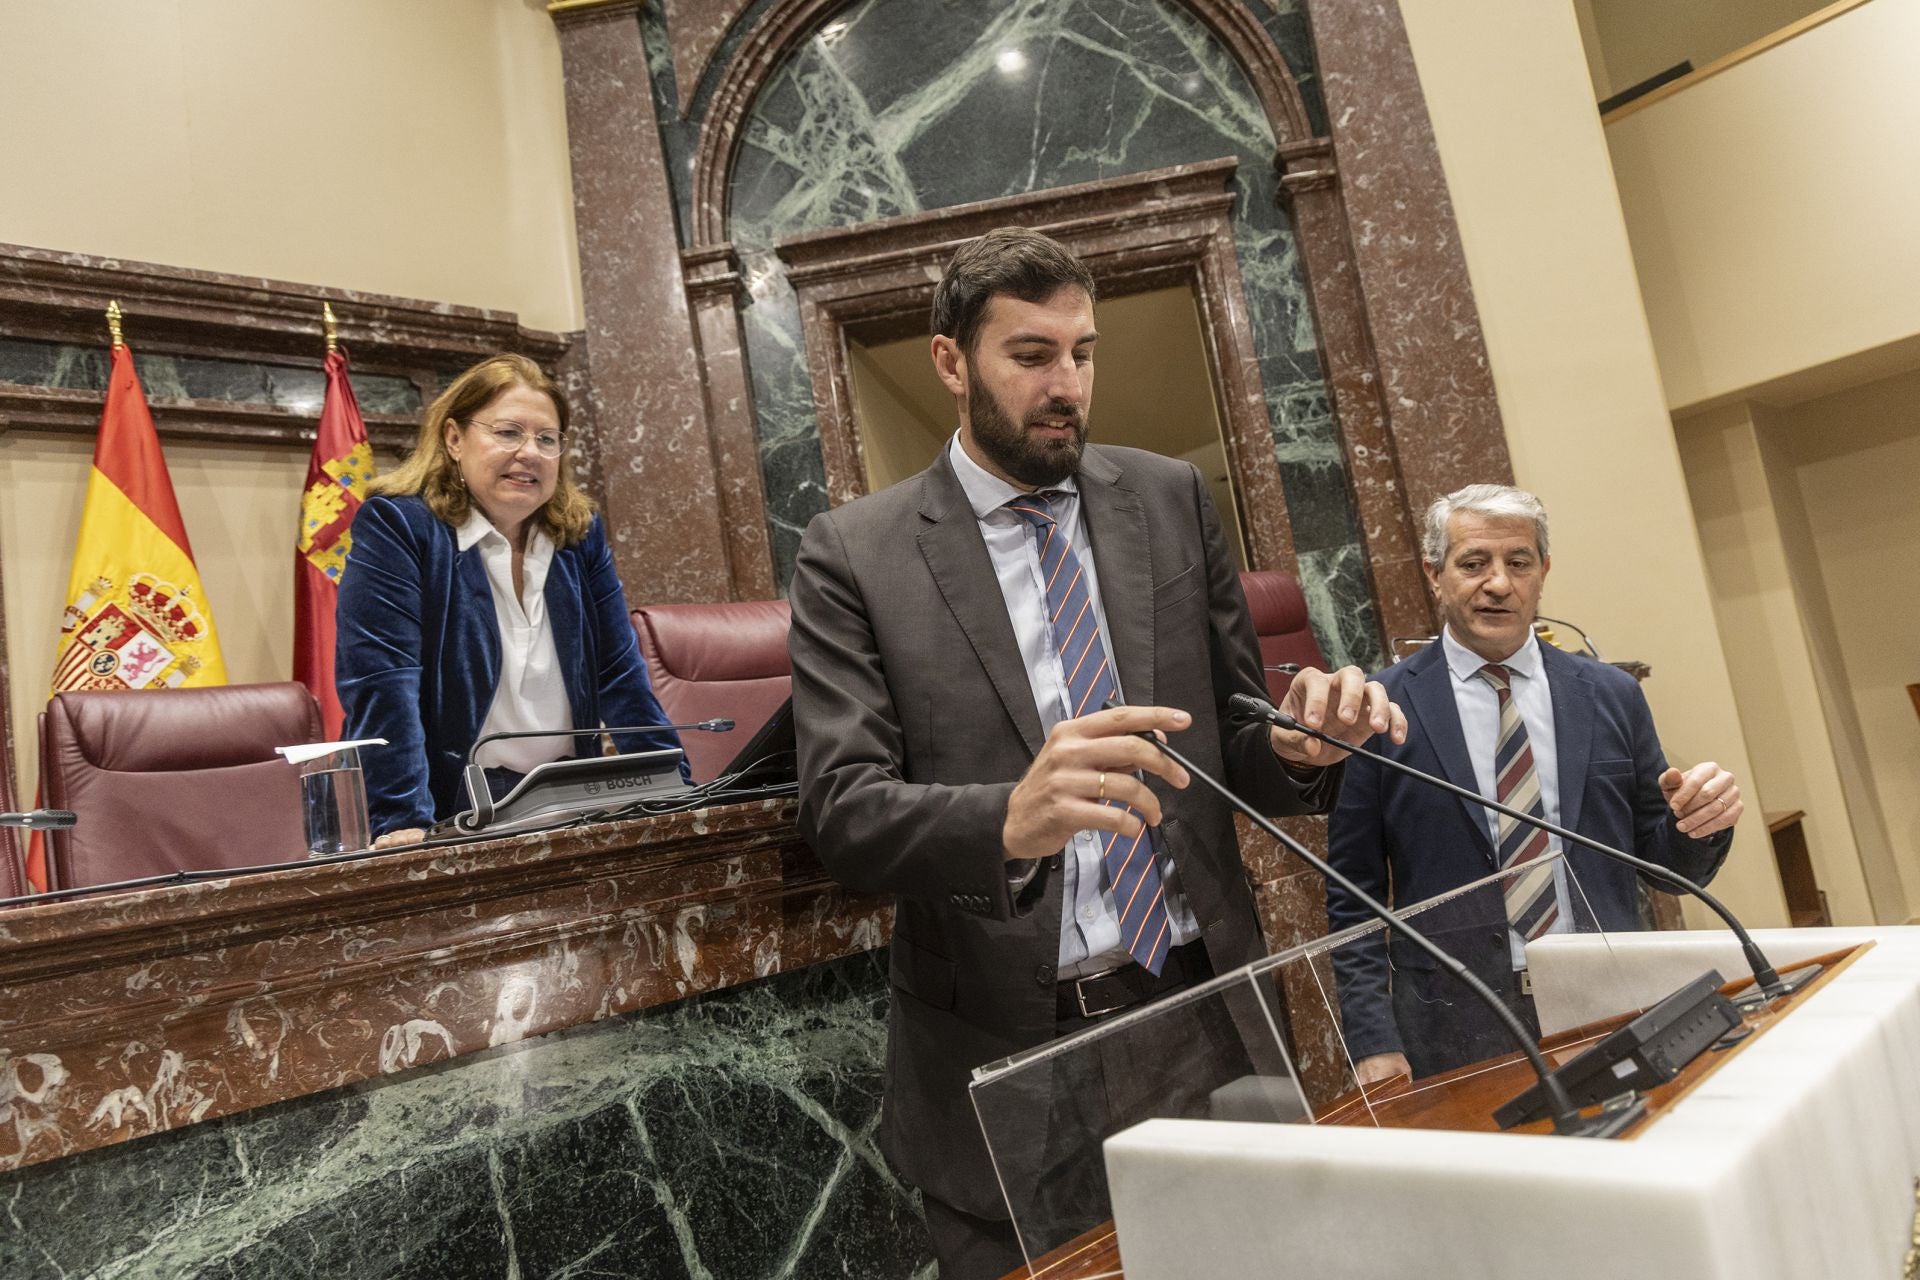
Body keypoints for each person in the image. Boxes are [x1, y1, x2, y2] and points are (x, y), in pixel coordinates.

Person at [787, 227, 1404, 1280]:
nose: (1065, 381)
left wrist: (1301, 746)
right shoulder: (855, 552)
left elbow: (1234, 737)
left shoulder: (1167, 498)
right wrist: (1006, 820)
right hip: (1008, 1053)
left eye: (1083, 351)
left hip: (1201, 1012)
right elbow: (842, 809)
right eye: (1031, 355)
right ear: (952, 363)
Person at [1325, 483, 1741, 1083]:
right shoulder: (1380, 708)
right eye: (1473, 564)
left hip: (1611, 1000)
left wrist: (1700, 824)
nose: (1498, 583)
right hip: (1455, 1025)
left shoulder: (1611, 696)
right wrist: (1371, 1040)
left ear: (1543, 571)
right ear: (1434, 574)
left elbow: (1663, 867)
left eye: (1518, 562)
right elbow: (1353, 897)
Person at [336, 353, 683, 846]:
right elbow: (383, 684)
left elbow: (621, 674)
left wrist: (677, 791)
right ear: (454, 439)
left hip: (576, 799)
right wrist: (401, 820)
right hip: (458, 811)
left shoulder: (578, 535)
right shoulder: (400, 528)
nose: (530, 453)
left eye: (547, 439)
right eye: (507, 432)